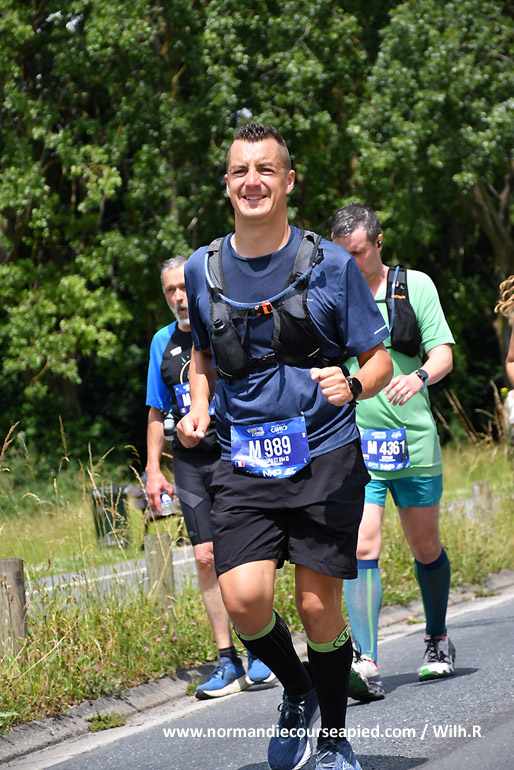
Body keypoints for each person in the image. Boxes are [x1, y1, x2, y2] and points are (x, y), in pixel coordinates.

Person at [177, 123, 393, 770]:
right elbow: (202, 355)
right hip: (245, 456)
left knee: (317, 606)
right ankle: (297, 692)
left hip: (325, 453)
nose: (253, 181)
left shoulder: (331, 264)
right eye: (241, 171)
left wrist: (352, 384)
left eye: (266, 170)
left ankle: (332, 740)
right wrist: (199, 405)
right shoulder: (202, 268)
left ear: (289, 181)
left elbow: (378, 360)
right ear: (226, 184)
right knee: (244, 600)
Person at [329, 204, 455, 702]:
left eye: (358, 253)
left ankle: (437, 637)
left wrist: (419, 376)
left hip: (413, 441)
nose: (351, 263)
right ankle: (366, 660)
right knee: (362, 546)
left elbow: (443, 352)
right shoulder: (331, 296)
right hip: (358, 444)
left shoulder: (415, 285)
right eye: (342, 255)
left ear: (378, 243)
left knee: (425, 547)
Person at [145, 256, 274, 699]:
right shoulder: (161, 342)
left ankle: (260, 647)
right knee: (204, 557)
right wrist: (153, 470)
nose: (179, 297)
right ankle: (227, 659)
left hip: (231, 451)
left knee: (241, 552)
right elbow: (156, 411)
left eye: (184, 287)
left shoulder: (221, 324)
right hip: (189, 460)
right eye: (170, 290)